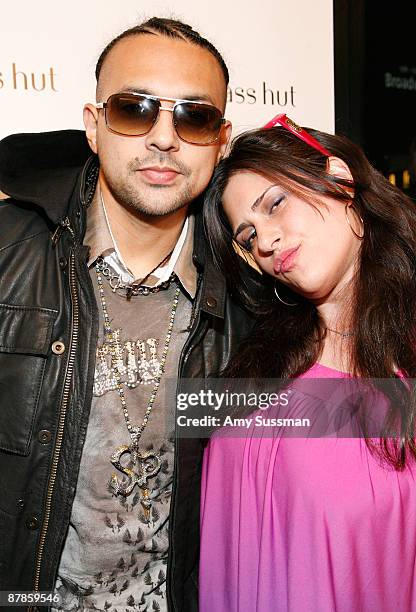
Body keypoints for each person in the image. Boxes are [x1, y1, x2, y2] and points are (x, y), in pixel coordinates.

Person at [0, 17, 255, 612]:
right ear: (94, 127)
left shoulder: (252, 297)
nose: (164, 138)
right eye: (135, 109)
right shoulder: (8, 253)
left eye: (193, 116)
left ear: (220, 140)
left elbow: (337, 431)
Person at [199, 114, 416, 611]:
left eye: (276, 204)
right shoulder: (253, 369)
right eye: (248, 236)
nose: (268, 242)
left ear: (339, 179)